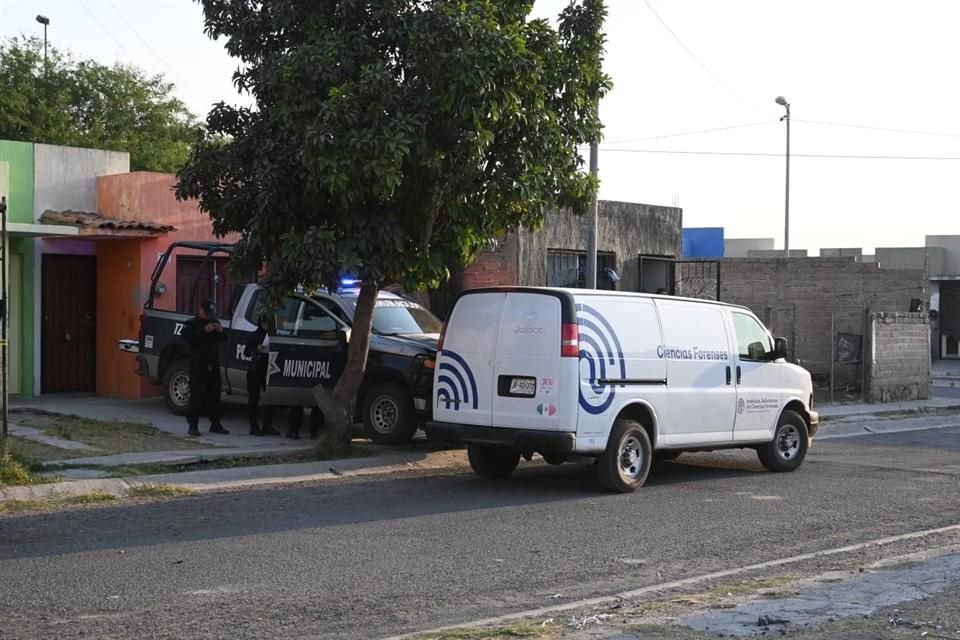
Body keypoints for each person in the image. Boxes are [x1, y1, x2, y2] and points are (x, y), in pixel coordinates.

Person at [182, 299, 229, 436]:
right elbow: (185, 336)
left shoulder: (215, 322)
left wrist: (220, 331)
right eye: (206, 312)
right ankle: (193, 424)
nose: (209, 316)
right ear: (200, 309)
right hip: (198, 362)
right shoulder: (192, 323)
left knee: (215, 394)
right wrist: (203, 331)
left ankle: (215, 423)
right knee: (197, 394)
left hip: (213, 363)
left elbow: (224, 339)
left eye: (211, 313)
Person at [244, 313, 280, 436]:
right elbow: (246, 352)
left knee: (271, 397)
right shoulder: (255, 335)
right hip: (256, 368)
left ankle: (267, 425)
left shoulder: (273, 336)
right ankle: (253, 426)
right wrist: (256, 349)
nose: (266, 326)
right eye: (265, 323)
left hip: (269, 368)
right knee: (254, 398)